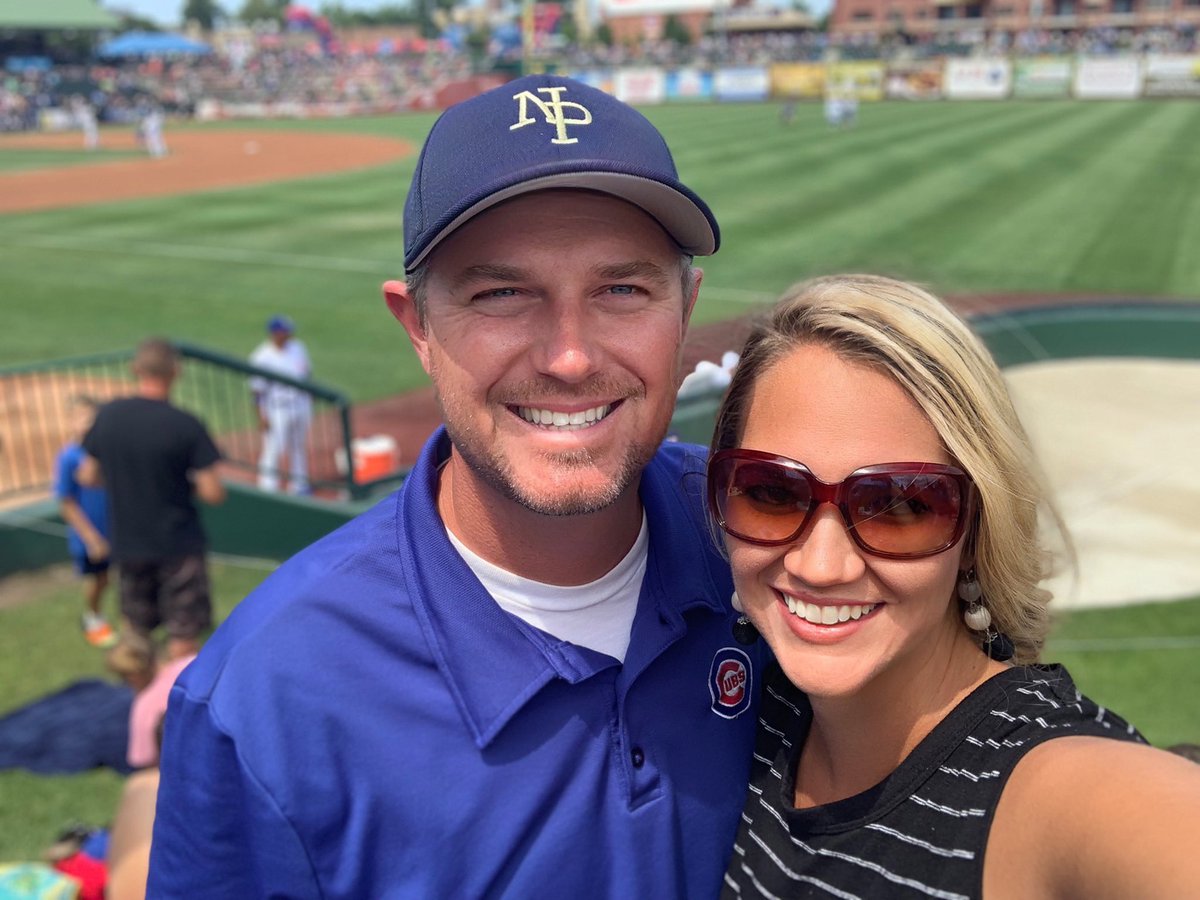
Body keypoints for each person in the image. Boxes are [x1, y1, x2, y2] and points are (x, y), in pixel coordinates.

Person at [148, 74, 768, 898]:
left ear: (685, 308)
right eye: (502, 293)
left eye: (622, 289)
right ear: (420, 329)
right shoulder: (265, 698)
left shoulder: (779, 537)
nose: (570, 357)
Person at [708, 275, 1200, 898]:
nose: (820, 566)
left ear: (974, 532)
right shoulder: (752, 710)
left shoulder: (1039, 783)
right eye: (772, 493)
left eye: (898, 506)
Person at [80, 338, 226, 661]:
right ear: (176, 372)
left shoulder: (109, 416)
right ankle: (171, 709)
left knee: (135, 640)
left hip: (129, 543)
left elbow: (87, 476)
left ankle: (140, 708)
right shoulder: (186, 425)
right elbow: (213, 493)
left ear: (136, 370)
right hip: (178, 545)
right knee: (183, 640)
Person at [54, 396, 116, 648]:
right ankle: (92, 617)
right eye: (79, 418)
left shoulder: (108, 451)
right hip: (90, 533)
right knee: (99, 579)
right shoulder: (69, 457)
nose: (86, 424)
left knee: (118, 577)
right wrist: (91, 538)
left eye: (91, 418)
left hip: (115, 529)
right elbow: (67, 503)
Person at [248, 314, 313, 494]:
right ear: (275, 334)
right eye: (285, 332)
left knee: (298, 446)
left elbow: (306, 373)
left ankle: (299, 485)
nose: (288, 335)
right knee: (274, 449)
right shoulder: (261, 357)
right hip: (277, 409)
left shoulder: (298, 347)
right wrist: (261, 415)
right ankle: (268, 488)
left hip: (301, 403)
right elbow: (257, 390)